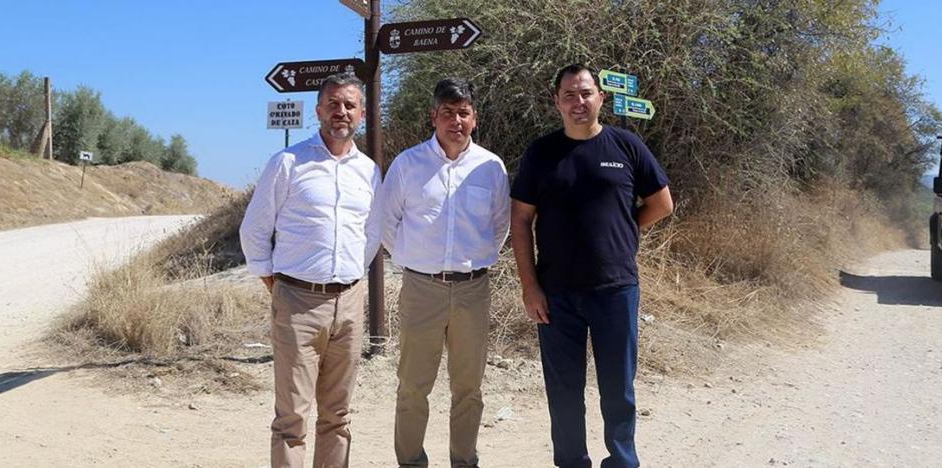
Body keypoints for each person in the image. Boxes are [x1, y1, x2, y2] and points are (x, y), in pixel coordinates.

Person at [509, 64, 674, 468]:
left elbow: (662, 202)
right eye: (568, 95)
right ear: (556, 103)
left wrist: (625, 227)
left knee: (618, 388)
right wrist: (530, 287)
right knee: (564, 391)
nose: (577, 102)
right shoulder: (541, 153)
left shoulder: (626, 146)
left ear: (601, 97)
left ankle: (622, 461)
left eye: (585, 93)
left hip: (615, 288)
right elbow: (520, 219)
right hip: (556, 294)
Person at [239, 72, 381, 468]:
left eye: (349, 105)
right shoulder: (287, 162)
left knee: (338, 416)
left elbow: (372, 234)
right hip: (297, 302)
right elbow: (254, 230)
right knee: (292, 417)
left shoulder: (369, 172)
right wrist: (276, 284)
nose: (341, 112)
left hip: (349, 304)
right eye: (333, 104)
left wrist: (350, 275)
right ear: (318, 110)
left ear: (361, 115)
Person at [373, 78, 511, 468]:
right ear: (433, 116)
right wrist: (414, 261)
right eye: (447, 112)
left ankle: (464, 461)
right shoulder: (408, 164)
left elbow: (500, 225)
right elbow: (387, 221)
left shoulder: (490, 167)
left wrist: (477, 258)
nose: (456, 121)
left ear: (475, 118)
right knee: (413, 387)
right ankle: (411, 461)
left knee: (469, 388)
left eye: (463, 113)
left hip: (473, 291)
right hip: (421, 290)